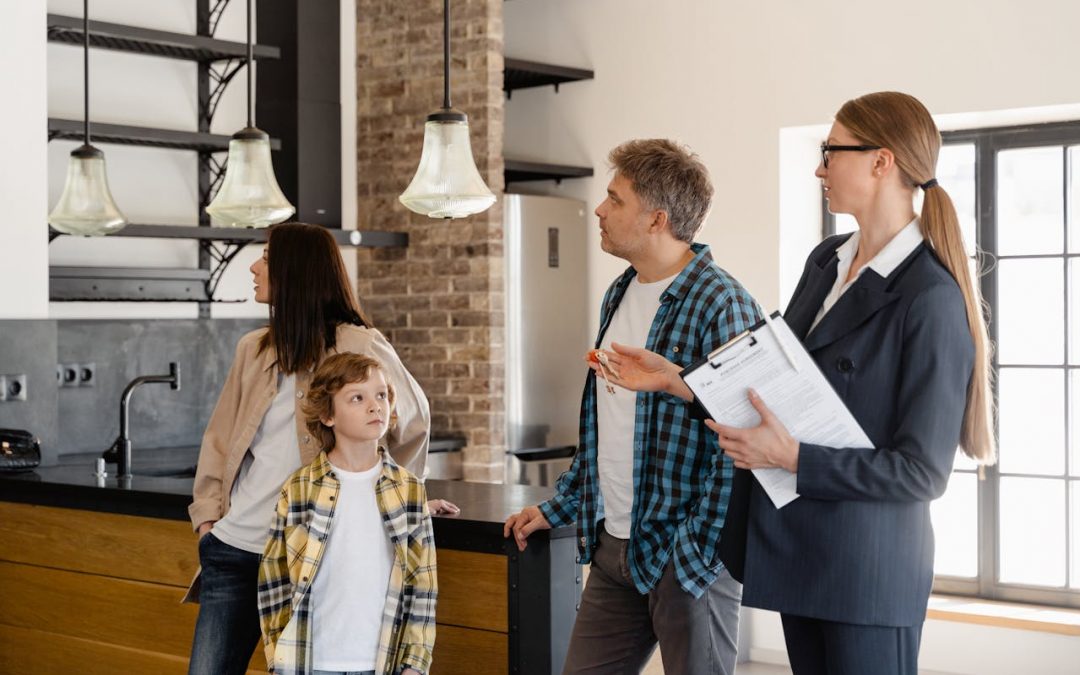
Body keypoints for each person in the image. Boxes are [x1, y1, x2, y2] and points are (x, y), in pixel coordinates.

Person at [596, 92, 995, 675]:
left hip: (868, 575)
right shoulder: (828, 258)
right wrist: (679, 381)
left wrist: (793, 457)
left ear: (881, 162)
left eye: (831, 152)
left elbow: (921, 472)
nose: (819, 167)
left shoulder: (930, 298)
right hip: (803, 554)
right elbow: (776, 381)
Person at [503, 139, 760, 674]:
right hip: (613, 549)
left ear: (655, 219)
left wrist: (695, 550)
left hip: (684, 560)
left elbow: (742, 442)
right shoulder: (619, 292)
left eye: (615, 199)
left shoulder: (723, 303)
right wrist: (561, 507)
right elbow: (605, 428)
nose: (598, 209)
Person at [186, 222, 451, 675]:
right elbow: (220, 439)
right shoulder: (253, 349)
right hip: (234, 549)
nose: (253, 266)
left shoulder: (358, 345)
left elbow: (411, 421)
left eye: (266, 258)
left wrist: (395, 499)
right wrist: (208, 519)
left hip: (308, 556)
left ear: (297, 272)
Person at [259, 353, 436, 675]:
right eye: (358, 397)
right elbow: (274, 578)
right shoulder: (299, 489)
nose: (375, 406)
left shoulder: (408, 490)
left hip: (383, 662)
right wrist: (278, 659)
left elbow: (422, 584)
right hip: (311, 662)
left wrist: (414, 664)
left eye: (381, 395)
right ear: (328, 415)